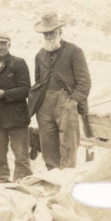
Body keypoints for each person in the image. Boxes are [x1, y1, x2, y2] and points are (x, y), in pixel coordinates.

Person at [29, 12, 91, 170]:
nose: (49, 36)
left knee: (68, 144)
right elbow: (38, 80)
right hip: (44, 104)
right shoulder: (40, 55)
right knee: (47, 144)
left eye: (52, 32)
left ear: (60, 32)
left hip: (66, 101)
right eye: (46, 33)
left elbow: (84, 82)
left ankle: (66, 181)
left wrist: (73, 102)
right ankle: (52, 178)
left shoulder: (74, 51)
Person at [0, 33, 32, 183]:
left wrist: (4, 94)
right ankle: (2, 182)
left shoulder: (19, 63)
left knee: (21, 156)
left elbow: (26, 89)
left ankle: (22, 183)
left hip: (17, 118)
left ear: (9, 45)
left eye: (3, 44)